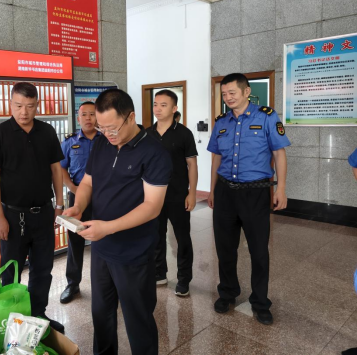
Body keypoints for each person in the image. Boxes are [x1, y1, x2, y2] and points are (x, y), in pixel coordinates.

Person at [63, 89, 172, 355]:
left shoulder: (154, 152)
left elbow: (152, 206)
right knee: (101, 315)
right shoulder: (102, 143)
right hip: (101, 250)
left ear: (131, 117)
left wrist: (108, 227)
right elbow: (87, 182)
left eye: (112, 128)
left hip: (133, 252)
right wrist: (79, 206)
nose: (107, 134)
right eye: (101, 128)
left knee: (138, 320)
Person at [207, 73, 290, 326]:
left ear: (246, 92)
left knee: (258, 251)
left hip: (255, 192)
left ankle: (260, 301)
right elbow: (216, 158)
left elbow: (279, 153)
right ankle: (227, 293)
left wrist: (281, 188)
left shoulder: (266, 117)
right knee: (225, 248)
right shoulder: (221, 122)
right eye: (224, 94)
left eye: (232, 92)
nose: (228, 98)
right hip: (225, 192)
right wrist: (212, 190)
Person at [0, 82, 65, 333]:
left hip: (43, 213)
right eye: (18, 106)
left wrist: (59, 204)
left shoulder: (47, 131)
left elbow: (56, 170)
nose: (24, 112)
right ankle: (10, 321)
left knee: (43, 269)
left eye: (30, 106)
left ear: (37, 105)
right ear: (10, 104)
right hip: (12, 215)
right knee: (11, 271)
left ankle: (38, 315)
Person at [147, 90, 198, 296]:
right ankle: (159, 273)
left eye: (163, 105)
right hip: (153, 197)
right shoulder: (147, 134)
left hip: (178, 195)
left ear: (174, 108)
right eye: (155, 104)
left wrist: (192, 193)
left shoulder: (184, 133)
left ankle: (184, 279)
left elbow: (192, 165)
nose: (157, 109)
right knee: (156, 236)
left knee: (182, 238)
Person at [59, 101, 101, 304]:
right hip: (77, 197)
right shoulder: (70, 142)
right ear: (78, 118)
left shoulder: (107, 140)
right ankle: (72, 284)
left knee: (103, 239)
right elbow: (61, 168)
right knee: (75, 242)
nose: (88, 118)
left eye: (92, 114)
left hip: (103, 198)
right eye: (84, 115)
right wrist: (73, 189)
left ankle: (105, 284)